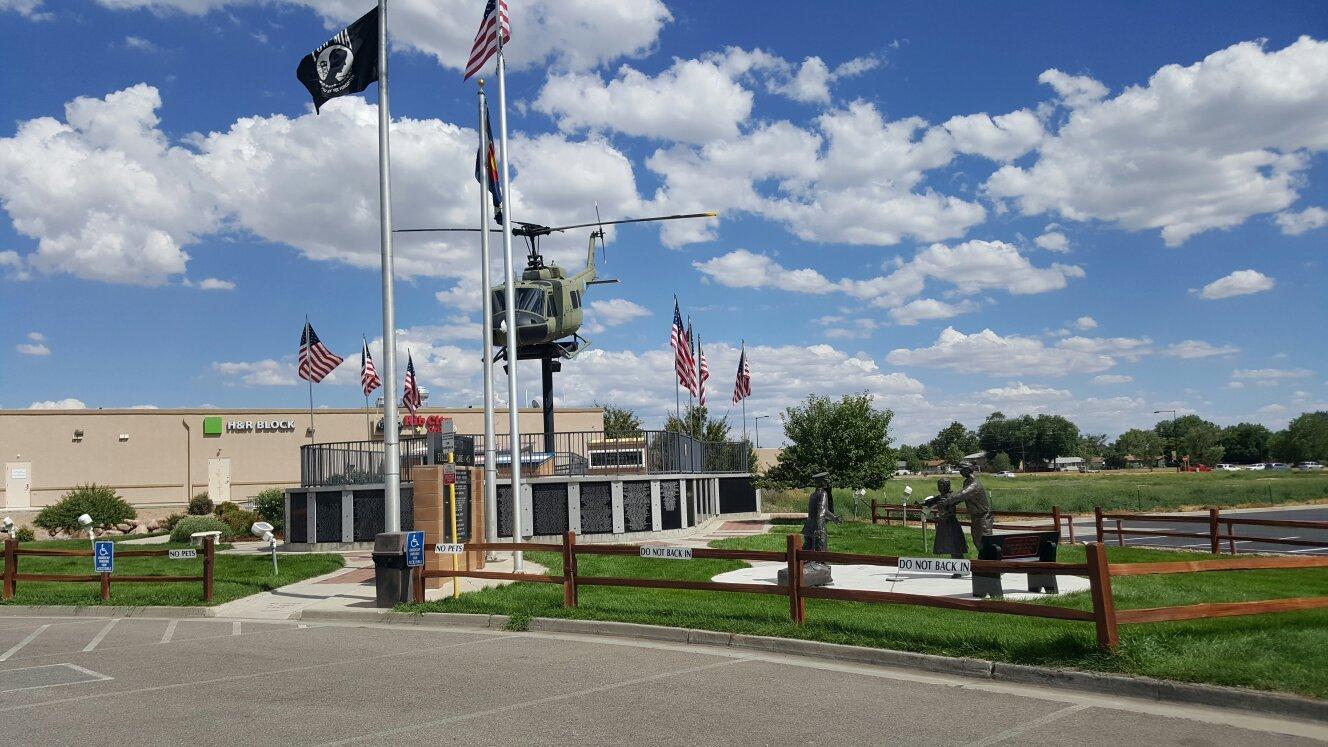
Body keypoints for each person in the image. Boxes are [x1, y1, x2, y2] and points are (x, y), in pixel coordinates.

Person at [923, 478, 968, 578]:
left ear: (947, 486)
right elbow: (931, 501)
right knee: (952, 548)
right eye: (938, 485)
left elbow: (951, 512)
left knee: (955, 548)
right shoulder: (940, 497)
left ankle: (961, 569)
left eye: (941, 485)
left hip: (951, 524)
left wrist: (940, 517)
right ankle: (961, 569)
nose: (939, 487)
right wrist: (921, 504)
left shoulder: (950, 497)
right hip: (944, 524)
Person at [952, 463, 994, 551]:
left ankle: (988, 562)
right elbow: (961, 498)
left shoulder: (974, 484)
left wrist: (947, 501)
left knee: (984, 542)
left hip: (983, 517)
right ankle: (982, 561)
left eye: (961, 469)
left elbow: (962, 495)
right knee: (977, 541)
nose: (960, 472)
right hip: (975, 517)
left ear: (967, 470)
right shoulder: (967, 482)